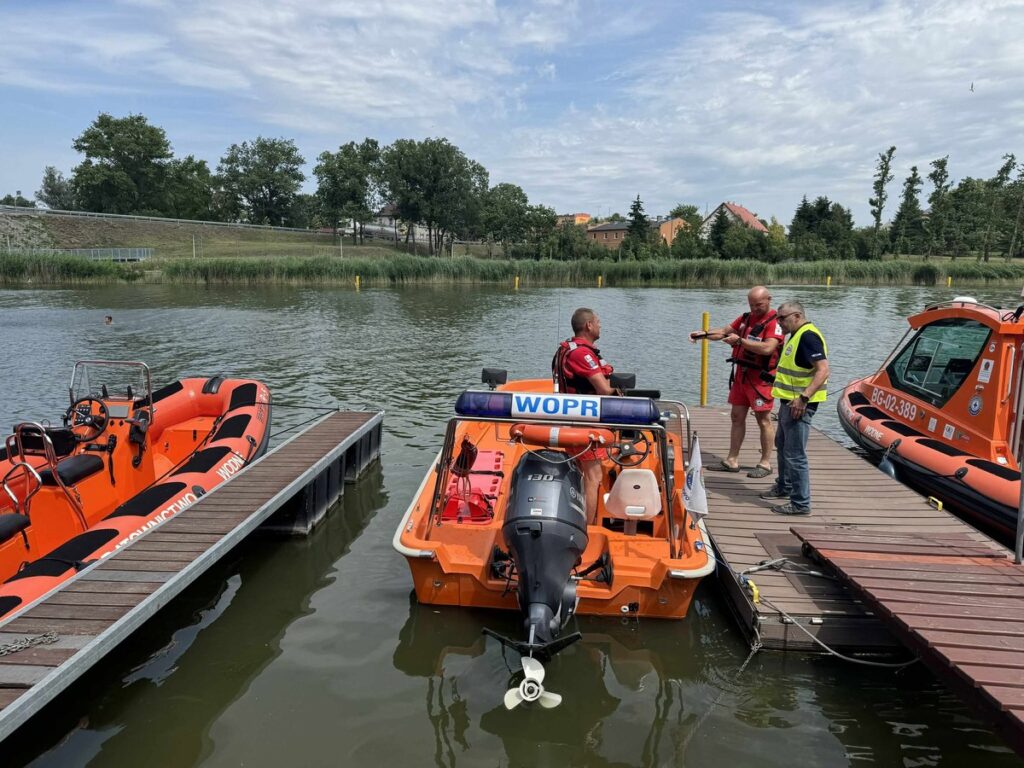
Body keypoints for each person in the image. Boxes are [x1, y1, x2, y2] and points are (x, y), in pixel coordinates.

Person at [689, 286, 783, 478]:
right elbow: (724, 332)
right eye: (751, 304)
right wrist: (704, 334)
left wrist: (740, 341)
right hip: (741, 375)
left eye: (759, 304)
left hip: (760, 379)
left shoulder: (775, 322)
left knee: (763, 420)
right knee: (736, 416)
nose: (755, 308)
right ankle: (732, 460)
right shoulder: (746, 317)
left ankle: (765, 463)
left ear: (769, 300)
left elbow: (767, 348)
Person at [759, 300, 830, 516]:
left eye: (783, 318)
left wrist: (804, 398)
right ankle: (784, 486)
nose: (779, 322)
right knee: (782, 445)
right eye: (777, 318)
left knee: (795, 454)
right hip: (788, 403)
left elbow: (823, 370)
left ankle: (800, 503)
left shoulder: (808, 336)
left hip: (799, 406)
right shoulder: (796, 335)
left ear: (797, 316)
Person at [552, 307, 615, 525]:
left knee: (580, 473)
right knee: (593, 476)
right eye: (598, 321)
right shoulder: (581, 353)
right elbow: (604, 391)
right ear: (588, 325)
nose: (600, 325)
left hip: (571, 420)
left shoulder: (569, 349)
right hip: (583, 424)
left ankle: (574, 518)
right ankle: (587, 529)